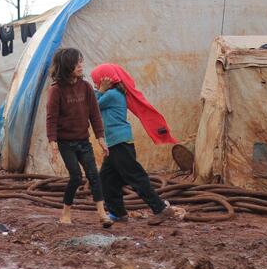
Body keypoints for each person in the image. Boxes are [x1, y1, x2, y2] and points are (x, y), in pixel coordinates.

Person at [93, 67, 178, 226]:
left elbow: (93, 107)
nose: (95, 85)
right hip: (114, 144)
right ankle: (118, 213)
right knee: (107, 179)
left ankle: (161, 209)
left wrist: (100, 90)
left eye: (96, 81)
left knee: (135, 177)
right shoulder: (111, 94)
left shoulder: (111, 95)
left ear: (105, 80)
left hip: (120, 144)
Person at [45, 48, 110, 227]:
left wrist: (101, 138)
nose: (81, 65)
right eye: (77, 62)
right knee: (76, 177)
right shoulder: (56, 90)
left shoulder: (86, 87)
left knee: (94, 176)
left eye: (81, 61)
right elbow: (51, 118)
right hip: (66, 143)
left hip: (83, 141)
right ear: (67, 66)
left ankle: (102, 214)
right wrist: (53, 142)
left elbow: (95, 114)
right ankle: (65, 214)